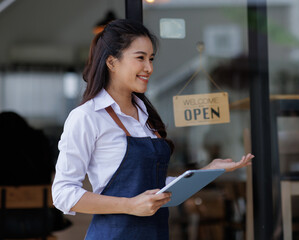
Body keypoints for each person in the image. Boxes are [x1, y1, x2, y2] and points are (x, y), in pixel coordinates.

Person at [51, 18, 254, 240]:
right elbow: (63, 193)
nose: (149, 67)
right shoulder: (86, 117)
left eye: (151, 58)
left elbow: (155, 189)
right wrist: (129, 205)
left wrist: (209, 170)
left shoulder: (146, 116)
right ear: (111, 62)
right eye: (140, 58)